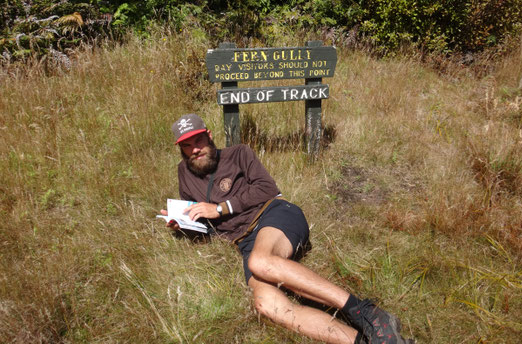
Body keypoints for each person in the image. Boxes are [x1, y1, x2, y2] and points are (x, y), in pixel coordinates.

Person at [161, 113, 413, 344]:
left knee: (260, 262)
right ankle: (362, 341)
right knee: (266, 303)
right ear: (180, 148)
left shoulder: (239, 153)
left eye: (198, 140)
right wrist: (182, 224)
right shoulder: (184, 173)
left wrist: (220, 208)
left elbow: (267, 188)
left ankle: (369, 313)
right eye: (186, 145)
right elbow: (202, 221)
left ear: (209, 135)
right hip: (244, 241)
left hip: (274, 215)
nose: (194, 149)